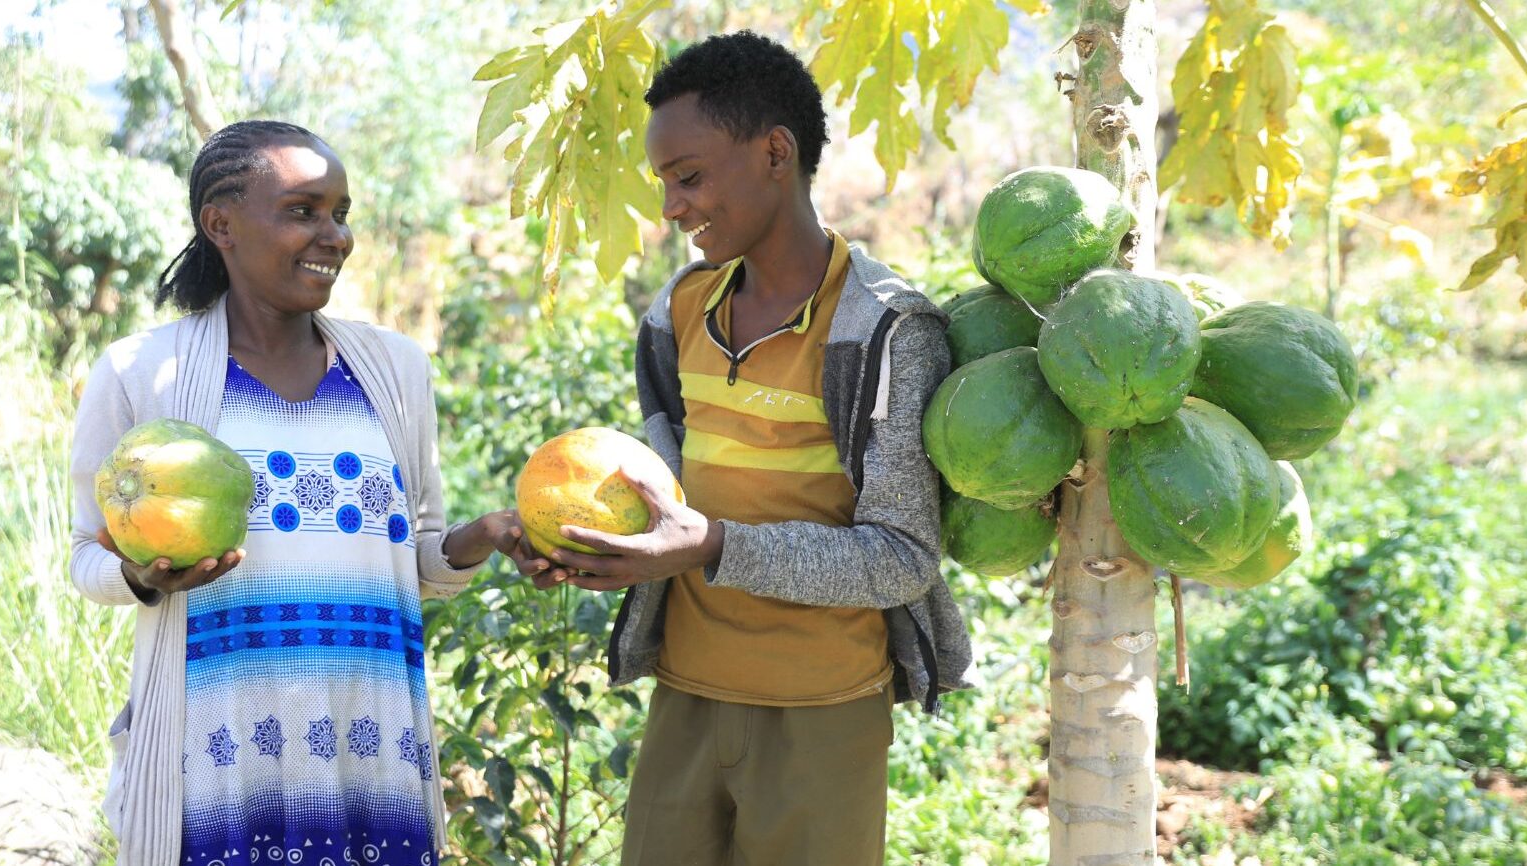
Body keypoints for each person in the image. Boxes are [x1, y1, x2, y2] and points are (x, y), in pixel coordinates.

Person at [528, 32, 978, 865]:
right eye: (666, 183)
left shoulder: (884, 332)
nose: (672, 208)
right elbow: (665, 487)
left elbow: (901, 557)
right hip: (686, 699)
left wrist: (714, 546)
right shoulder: (678, 313)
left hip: (824, 716)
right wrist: (596, 541)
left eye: (689, 177)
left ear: (776, 152)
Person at [68, 119, 543, 866]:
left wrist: (479, 538)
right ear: (219, 224)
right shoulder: (143, 374)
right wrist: (138, 575)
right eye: (302, 210)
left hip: (372, 759)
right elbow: (85, 557)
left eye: (341, 213)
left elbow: (415, 561)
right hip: (220, 772)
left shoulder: (395, 371)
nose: (335, 236)